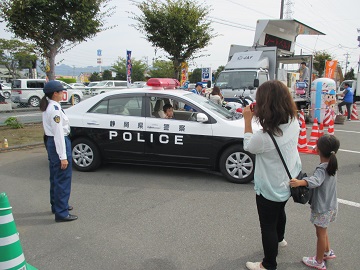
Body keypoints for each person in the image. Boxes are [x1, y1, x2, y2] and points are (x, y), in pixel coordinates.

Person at [243, 80, 302, 270]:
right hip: (289, 181)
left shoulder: (263, 137)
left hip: (270, 187)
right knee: (280, 212)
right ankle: (281, 239)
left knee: (267, 225)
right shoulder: (294, 121)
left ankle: (268, 264)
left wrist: (247, 120)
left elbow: (248, 146)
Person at [290, 134, 339, 270]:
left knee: (320, 233)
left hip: (322, 207)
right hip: (330, 205)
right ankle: (327, 252)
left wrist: (299, 182)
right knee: (323, 231)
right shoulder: (332, 164)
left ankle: (318, 261)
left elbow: (315, 181)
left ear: (318, 150)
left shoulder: (322, 168)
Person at [40, 80, 78, 222]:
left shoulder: (50, 106)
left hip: (52, 143)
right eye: (61, 91)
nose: (63, 93)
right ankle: (61, 213)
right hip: (59, 143)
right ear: (55, 93)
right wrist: (63, 156)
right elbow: (58, 134)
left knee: (56, 176)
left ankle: (57, 205)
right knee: (63, 178)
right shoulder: (54, 110)